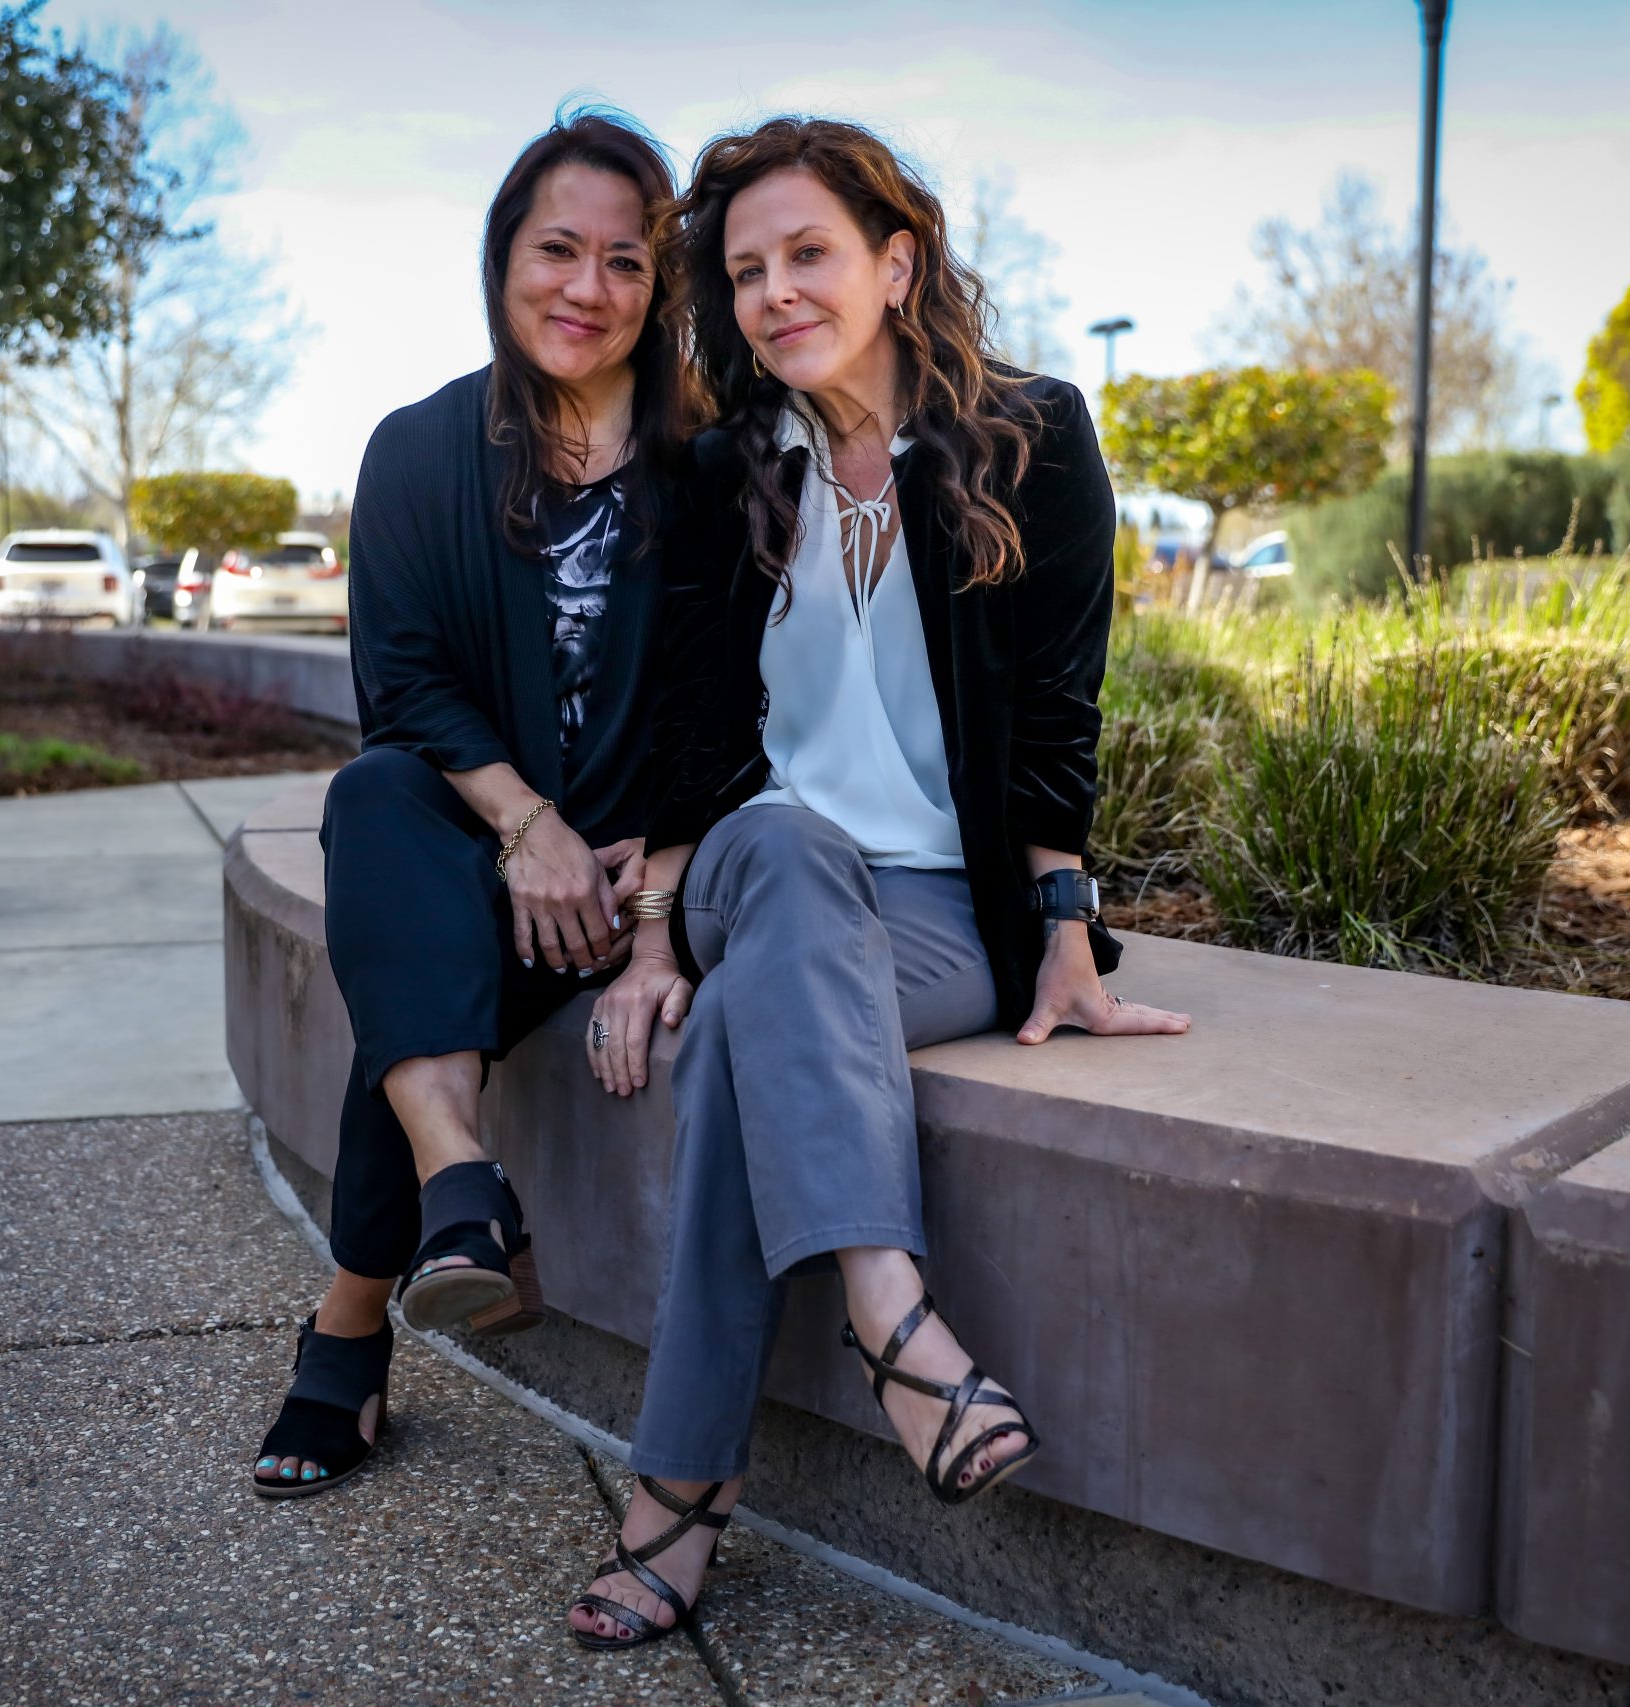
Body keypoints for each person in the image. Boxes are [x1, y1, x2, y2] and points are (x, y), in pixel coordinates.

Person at [564, 118, 1192, 1645]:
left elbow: (1057, 718)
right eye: (751, 269)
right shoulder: (724, 472)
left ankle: (680, 1503)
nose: (778, 293)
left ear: (896, 262)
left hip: (933, 920)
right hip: (748, 872)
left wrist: (1062, 931)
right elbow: (686, 733)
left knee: (735, 1043)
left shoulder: (1032, 437)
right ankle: (893, 1321)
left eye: (812, 255)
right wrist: (651, 942)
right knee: (783, 846)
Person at [250, 110, 695, 1499]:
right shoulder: (422, 449)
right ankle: (461, 1183)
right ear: (502, 259)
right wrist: (523, 826)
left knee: (409, 973)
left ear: (661, 286)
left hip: (644, 861)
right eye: (556, 249)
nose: (587, 288)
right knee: (379, 798)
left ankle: (355, 1320)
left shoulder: (721, 467)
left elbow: (741, 707)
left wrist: (654, 896)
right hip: (483, 836)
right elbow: (405, 683)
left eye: (626, 261)